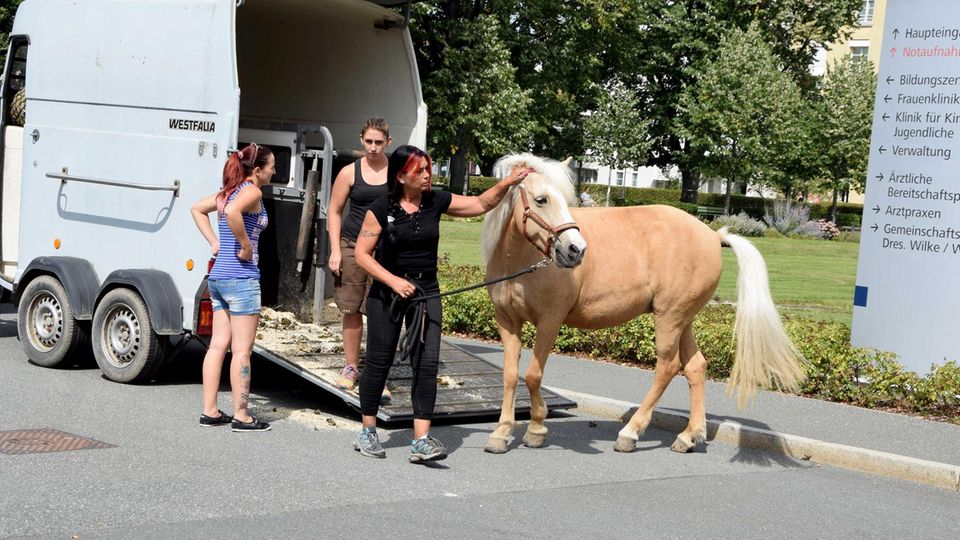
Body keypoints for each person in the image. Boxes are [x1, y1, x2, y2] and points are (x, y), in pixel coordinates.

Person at [352, 145, 531, 462]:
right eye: (419, 170)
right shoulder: (381, 208)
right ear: (401, 176)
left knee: (427, 363)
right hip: (387, 292)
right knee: (379, 361)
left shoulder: (436, 200)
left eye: (428, 168)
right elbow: (362, 255)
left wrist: (508, 182)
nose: (427, 175)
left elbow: (480, 204)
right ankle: (368, 430)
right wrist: (393, 281)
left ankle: (421, 439)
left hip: (426, 291)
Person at [190, 143, 275, 432]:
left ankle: (210, 411)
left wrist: (215, 242)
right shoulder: (251, 192)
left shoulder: (227, 191)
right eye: (271, 167)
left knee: (217, 346)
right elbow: (232, 212)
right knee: (242, 351)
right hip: (242, 278)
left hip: (218, 278)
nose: (274, 172)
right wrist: (246, 245)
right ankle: (242, 415)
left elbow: (197, 209)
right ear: (257, 170)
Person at [328, 118, 391, 398]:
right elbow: (334, 211)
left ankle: (377, 373)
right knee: (352, 309)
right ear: (361, 140)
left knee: (381, 311)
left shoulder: (397, 172)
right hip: (352, 244)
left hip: (384, 249)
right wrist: (335, 250)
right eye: (369, 142)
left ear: (388, 142)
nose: (373, 147)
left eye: (378, 142)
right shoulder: (349, 172)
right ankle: (351, 367)